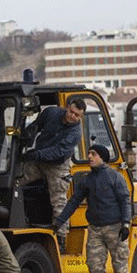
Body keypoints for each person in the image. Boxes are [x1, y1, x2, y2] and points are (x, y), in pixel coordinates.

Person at [53, 145, 131, 273]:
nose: (89, 156)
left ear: (102, 157)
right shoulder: (87, 180)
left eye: (93, 154)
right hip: (95, 229)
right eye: (88, 153)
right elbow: (74, 202)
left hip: (115, 228)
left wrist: (125, 224)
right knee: (93, 265)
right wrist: (59, 221)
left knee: (120, 264)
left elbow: (125, 200)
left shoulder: (115, 177)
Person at [19, 98, 86, 251]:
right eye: (71, 112)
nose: (73, 117)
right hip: (39, 158)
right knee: (16, 180)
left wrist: (35, 154)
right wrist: (25, 139)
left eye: (77, 115)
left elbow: (58, 152)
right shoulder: (50, 113)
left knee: (59, 202)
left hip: (58, 165)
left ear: (81, 117)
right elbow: (36, 126)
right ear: (66, 107)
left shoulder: (75, 132)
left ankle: (60, 239)